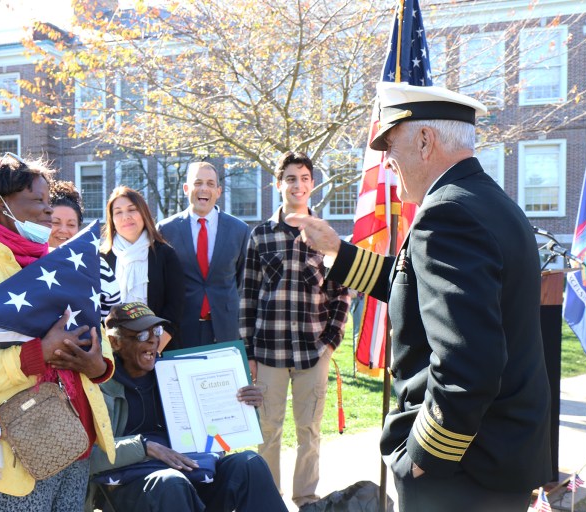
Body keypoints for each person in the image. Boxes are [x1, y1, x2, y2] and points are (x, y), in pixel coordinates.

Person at [285, 82, 552, 511]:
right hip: (494, 459)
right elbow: (421, 284)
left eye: (391, 145)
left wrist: (423, 457)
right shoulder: (483, 200)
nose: (387, 162)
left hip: (462, 473)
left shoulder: (446, 214)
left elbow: (469, 363)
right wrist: (339, 251)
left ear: (425, 140)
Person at [0, 153, 116, 510]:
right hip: (17, 451)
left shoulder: (58, 261)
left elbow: (97, 339)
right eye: (37, 200)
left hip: (76, 442)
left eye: (49, 200)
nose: (49, 210)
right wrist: (35, 355)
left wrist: (99, 367)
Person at [88, 301, 288, 512]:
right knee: (172, 483)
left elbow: (219, 433)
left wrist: (245, 404)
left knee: (250, 464)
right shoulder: (99, 387)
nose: (154, 340)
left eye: (156, 331)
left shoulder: (178, 371)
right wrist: (144, 447)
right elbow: (88, 457)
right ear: (115, 342)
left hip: (190, 470)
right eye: (141, 336)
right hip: (131, 483)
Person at [239, 151, 350, 508]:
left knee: (309, 432)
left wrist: (330, 342)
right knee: (268, 431)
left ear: (312, 184)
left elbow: (342, 293)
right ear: (278, 184)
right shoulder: (260, 236)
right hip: (268, 351)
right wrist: (249, 352)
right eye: (290, 178)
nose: (297, 184)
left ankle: (307, 500)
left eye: (303, 177)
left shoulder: (326, 235)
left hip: (312, 350)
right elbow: (248, 296)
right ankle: (269, 500)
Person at [158, 162, 250, 348]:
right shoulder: (166, 230)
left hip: (225, 330)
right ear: (186, 188)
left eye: (210, 184)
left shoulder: (239, 230)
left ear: (218, 191)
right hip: (181, 331)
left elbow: (241, 281)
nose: (204, 189)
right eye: (198, 182)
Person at [100, 186, 184, 351]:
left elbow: (175, 310)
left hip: (159, 350)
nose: (126, 217)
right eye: (118, 212)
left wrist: (152, 350)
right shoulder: (102, 258)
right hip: (114, 352)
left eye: (132, 209)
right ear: (112, 220)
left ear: (143, 213)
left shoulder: (165, 254)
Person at [48, 179, 83, 248]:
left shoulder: (91, 258)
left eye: (71, 225)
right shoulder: (26, 258)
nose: (63, 230)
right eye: (55, 222)